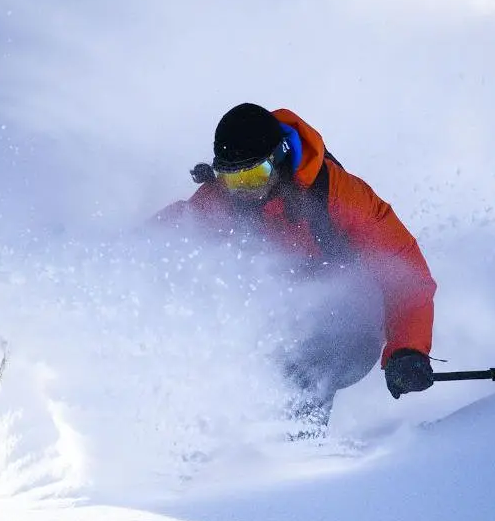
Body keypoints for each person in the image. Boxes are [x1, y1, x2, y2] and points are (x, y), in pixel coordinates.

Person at [155, 103, 439, 431]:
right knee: (233, 353)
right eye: (233, 180)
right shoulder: (223, 201)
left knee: (305, 368)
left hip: (352, 322)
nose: (245, 191)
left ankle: (297, 458)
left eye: (254, 175)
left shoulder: (340, 197)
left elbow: (406, 276)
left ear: (280, 158)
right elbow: (170, 236)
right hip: (276, 321)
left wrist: (408, 348)